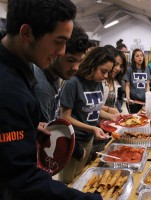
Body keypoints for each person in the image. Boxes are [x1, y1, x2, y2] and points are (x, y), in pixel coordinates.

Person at [0, 0, 102, 199]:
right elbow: (22, 179)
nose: (62, 52)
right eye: (58, 41)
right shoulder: (9, 90)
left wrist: (26, 127)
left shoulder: (20, 66)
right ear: (27, 33)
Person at [58, 47, 113, 184]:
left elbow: (94, 108)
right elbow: (65, 117)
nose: (106, 76)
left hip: (88, 138)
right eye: (103, 71)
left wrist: (111, 117)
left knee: (79, 177)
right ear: (92, 64)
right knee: (67, 180)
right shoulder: (73, 83)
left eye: (108, 72)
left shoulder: (98, 84)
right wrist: (92, 128)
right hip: (73, 140)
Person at [33, 25, 90, 123]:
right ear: (56, 53)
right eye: (70, 60)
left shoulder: (57, 74)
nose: (76, 68)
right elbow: (42, 134)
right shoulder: (42, 87)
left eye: (80, 61)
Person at [124, 48, 150, 113]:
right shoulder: (129, 70)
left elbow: (147, 85)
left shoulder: (146, 70)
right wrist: (127, 97)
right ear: (133, 58)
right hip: (133, 100)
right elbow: (127, 85)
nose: (140, 57)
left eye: (141, 55)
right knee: (134, 119)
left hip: (143, 100)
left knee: (143, 118)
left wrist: (148, 96)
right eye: (137, 56)